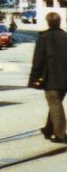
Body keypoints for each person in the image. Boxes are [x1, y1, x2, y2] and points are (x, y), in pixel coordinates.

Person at [29, 11, 67, 143]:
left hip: (50, 78)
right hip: (65, 78)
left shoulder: (43, 38)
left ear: (48, 22)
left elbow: (38, 60)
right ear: (59, 22)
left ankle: (60, 134)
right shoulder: (65, 36)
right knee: (56, 102)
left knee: (55, 104)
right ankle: (48, 129)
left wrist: (34, 78)